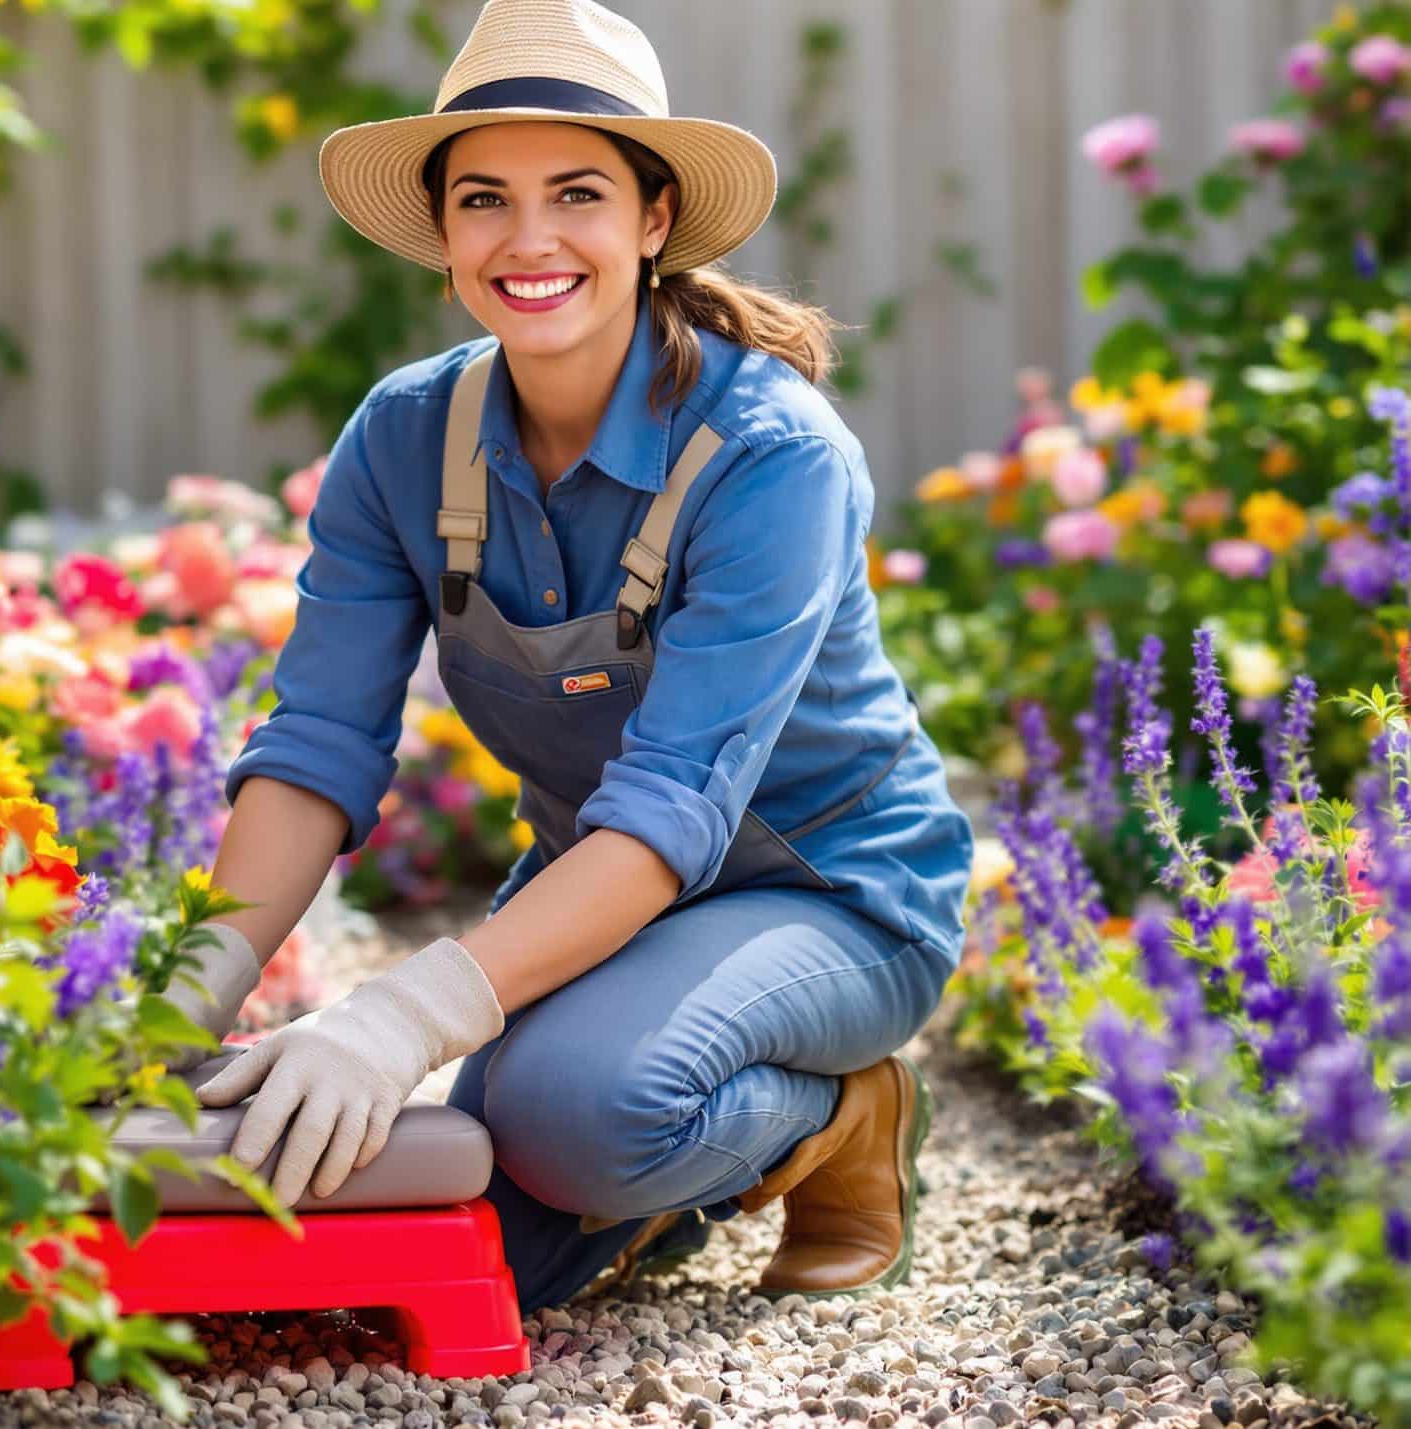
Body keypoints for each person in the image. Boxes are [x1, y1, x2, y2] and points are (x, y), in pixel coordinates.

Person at [166, 0, 975, 1308]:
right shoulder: (405, 441)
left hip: (833, 887)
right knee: (476, 1241)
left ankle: (840, 1114)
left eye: (578, 193)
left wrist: (399, 1019)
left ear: (653, 220)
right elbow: (316, 746)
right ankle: (657, 1145)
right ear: (442, 232)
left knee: (575, 1118)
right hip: (602, 884)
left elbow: (670, 811)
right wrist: (177, 1004)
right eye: (483, 198)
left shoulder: (772, 456)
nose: (528, 239)